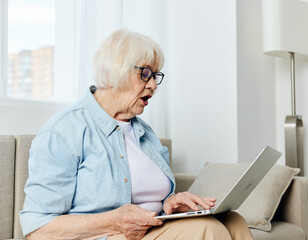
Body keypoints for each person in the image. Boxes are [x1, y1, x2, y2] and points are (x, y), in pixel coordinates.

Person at [20, 29, 253, 240]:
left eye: (155, 76)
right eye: (145, 74)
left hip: (151, 228)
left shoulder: (144, 132)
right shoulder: (63, 132)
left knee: (233, 221)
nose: (153, 85)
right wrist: (113, 221)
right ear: (113, 74)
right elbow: (37, 228)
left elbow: (149, 200)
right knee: (207, 230)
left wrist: (170, 204)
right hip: (106, 236)